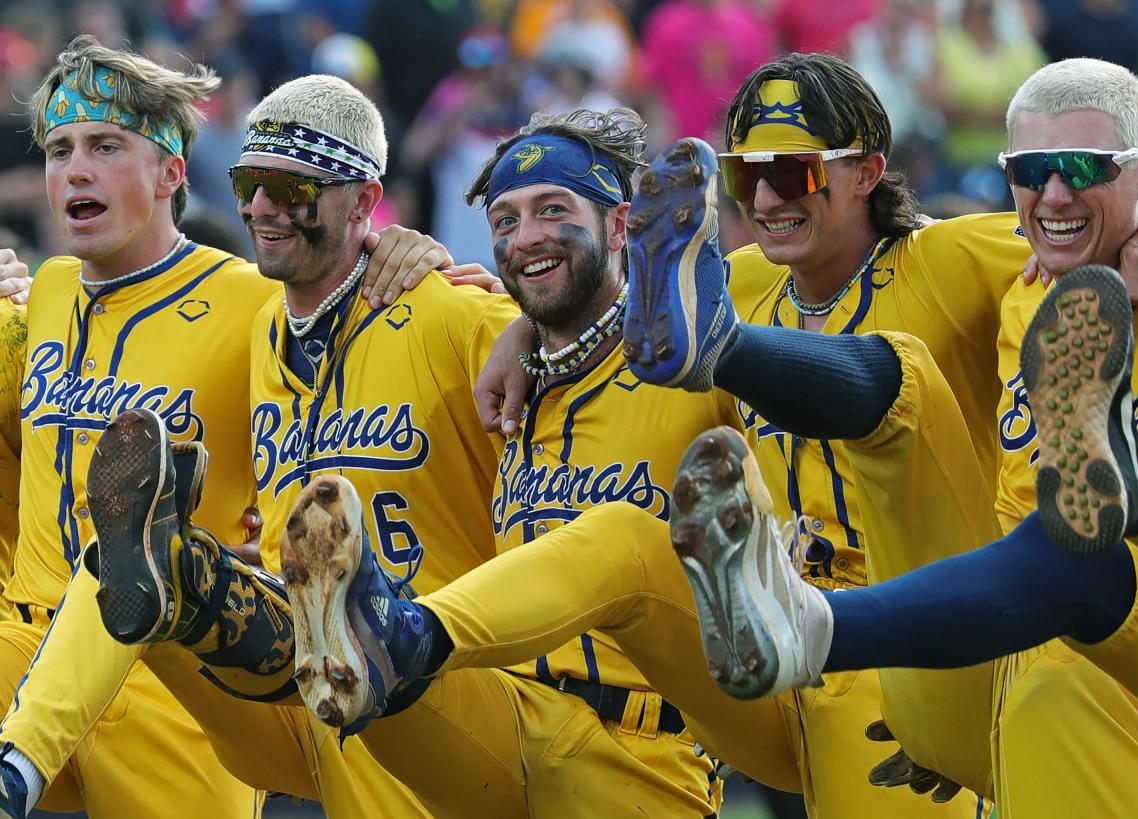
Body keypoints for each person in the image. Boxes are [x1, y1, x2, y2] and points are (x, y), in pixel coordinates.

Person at [467, 53, 1138, 817]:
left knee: (906, 386)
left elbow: (1087, 230)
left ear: (867, 172)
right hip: (789, 646)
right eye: (745, 175)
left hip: (945, 633)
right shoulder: (742, 283)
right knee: (620, 544)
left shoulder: (954, 259)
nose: (769, 195)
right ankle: (410, 640)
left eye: (796, 171)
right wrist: (521, 328)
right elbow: (605, 300)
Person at [94, 106, 731, 818]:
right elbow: (550, 314)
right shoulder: (511, 365)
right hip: (484, 715)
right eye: (506, 221)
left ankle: (374, 625)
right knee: (189, 626)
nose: (526, 239)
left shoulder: (679, 364)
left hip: (635, 739)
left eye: (554, 209)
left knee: (609, 546)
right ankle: (191, 590)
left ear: (620, 226)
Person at [0, 40, 462, 819]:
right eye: (58, 150)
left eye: (105, 146)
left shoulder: (254, 298)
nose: (73, 170)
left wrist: (421, 257)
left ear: (172, 172)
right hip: (22, 647)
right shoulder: (36, 293)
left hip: (174, 678)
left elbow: (362, 290)